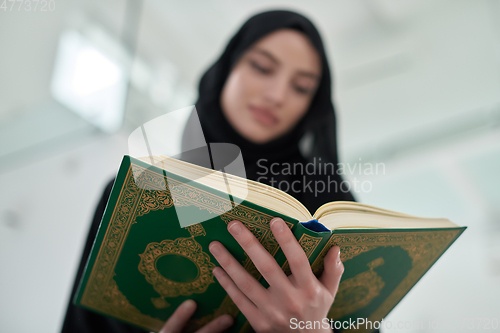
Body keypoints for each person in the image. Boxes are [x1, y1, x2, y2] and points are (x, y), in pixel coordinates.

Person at [61, 10, 356, 333]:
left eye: (301, 87)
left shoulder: (332, 207)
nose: (277, 95)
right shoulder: (135, 195)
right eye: (261, 67)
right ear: (227, 68)